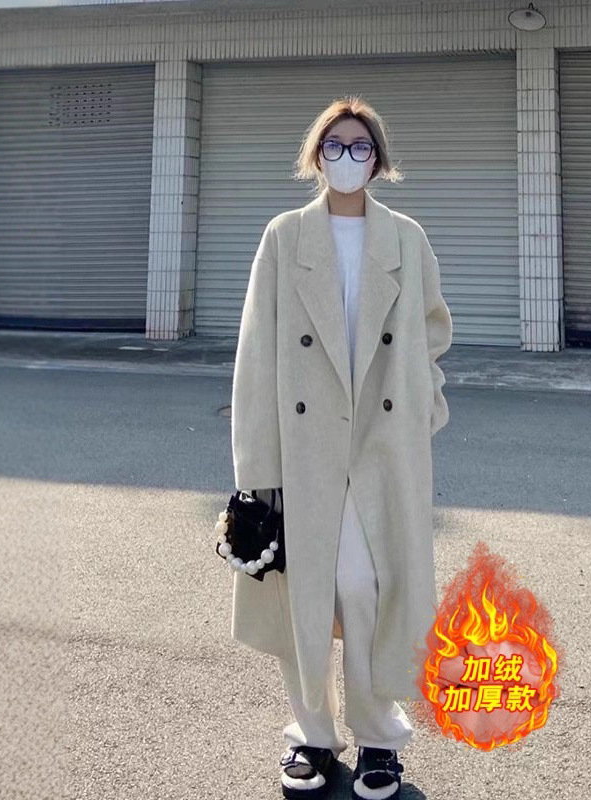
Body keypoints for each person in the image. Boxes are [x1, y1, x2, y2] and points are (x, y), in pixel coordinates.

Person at [230, 95, 453, 800]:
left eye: (360, 147)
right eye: (334, 146)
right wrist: (255, 467)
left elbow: (434, 330)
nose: (347, 157)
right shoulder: (284, 235)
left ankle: (379, 736)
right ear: (316, 157)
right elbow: (257, 352)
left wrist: (423, 406)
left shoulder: (406, 239)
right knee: (306, 593)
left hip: (380, 442)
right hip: (306, 444)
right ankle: (313, 737)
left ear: (378, 159)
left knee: (365, 586)